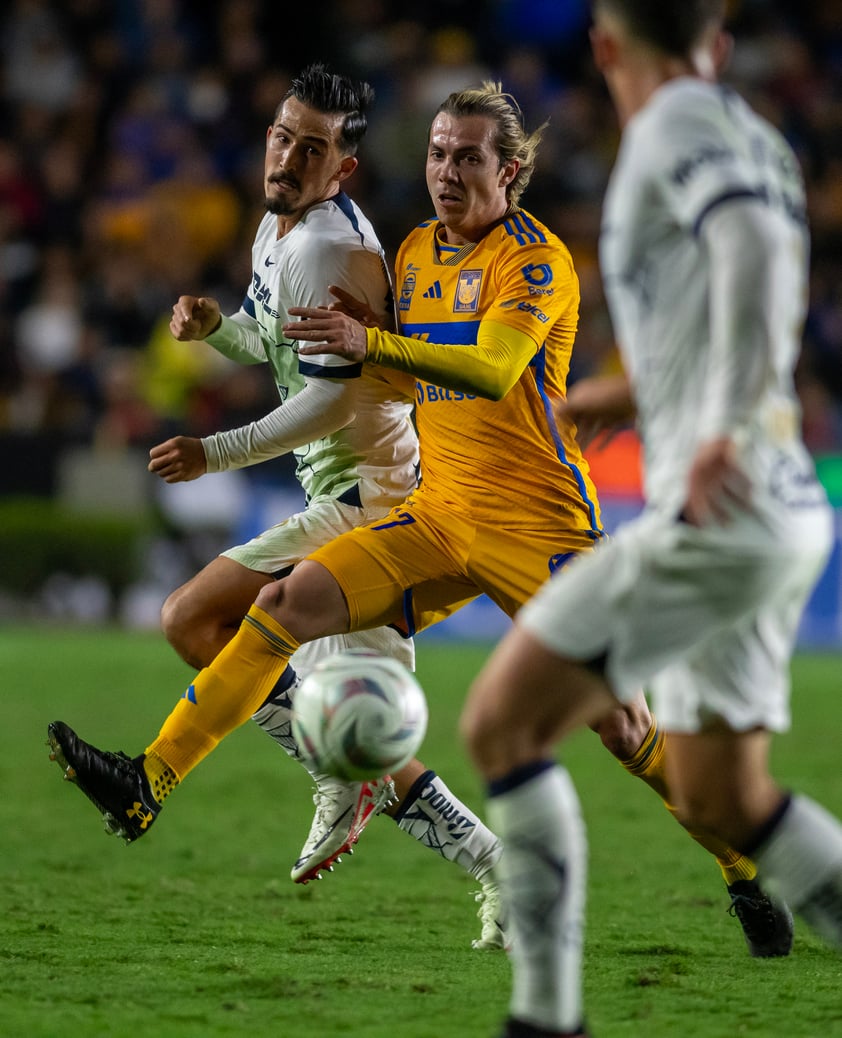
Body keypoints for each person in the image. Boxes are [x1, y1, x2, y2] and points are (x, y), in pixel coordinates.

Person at [49, 75, 788, 968]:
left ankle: (743, 865)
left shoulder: (538, 262)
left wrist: (367, 349)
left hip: (541, 533)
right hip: (435, 517)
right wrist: (313, 349)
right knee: (282, 608)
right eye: (437, 154)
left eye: (467, 158)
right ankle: (148, 782)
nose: (446, 172)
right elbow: (403, 379)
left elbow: (489, 368)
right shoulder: (411, 254)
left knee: (622, 726)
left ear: (509, 172)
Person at [457, 2, 842, 1034]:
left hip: (720, 505)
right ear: (715, 42)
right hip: (777, 504)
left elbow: (754, 250)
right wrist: (633, 397)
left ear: (602, 47)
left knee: (502, 724)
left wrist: (717, 419)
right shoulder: (748, 132)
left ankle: (543, 1019)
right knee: (725, 799)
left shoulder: (669, 124)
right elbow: (727, 288)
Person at [127, 63, 512, 948]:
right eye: (281, 134)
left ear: (344, 167)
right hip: (339, 494)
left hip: (371, 503)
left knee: (200, 622)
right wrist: (218, 328)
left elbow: (334, 399)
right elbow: (278, 343)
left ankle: (394, 808)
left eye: (313, 146)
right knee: (344, 723)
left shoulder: (329, 248)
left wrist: (216, 452)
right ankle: (487, 859)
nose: (289, 155)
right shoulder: (279, 229)